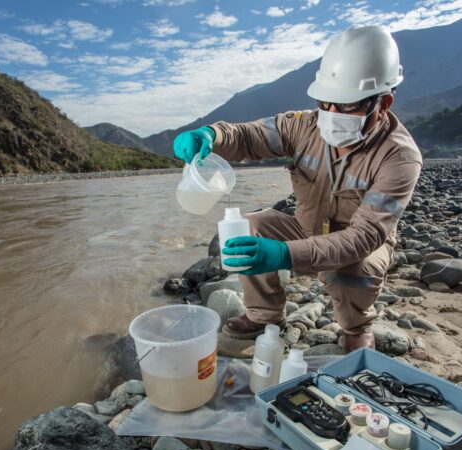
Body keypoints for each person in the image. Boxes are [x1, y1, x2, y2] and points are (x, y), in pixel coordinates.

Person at [173, 26, 422, 353]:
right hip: (307, 229)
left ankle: (356, 326)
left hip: (357, 245)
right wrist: (211, 135)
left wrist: (283, 254)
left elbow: (364, 237)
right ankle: (265, 315)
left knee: (358, 265)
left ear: (384, 103)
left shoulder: (400, 157)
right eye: (325, 102)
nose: (331, 115)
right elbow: (249, 137)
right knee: (253, 225)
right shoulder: (303, 125)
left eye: (347, 106)